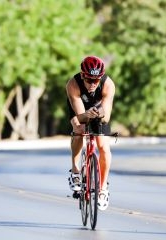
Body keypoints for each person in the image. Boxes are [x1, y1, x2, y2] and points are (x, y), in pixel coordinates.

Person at [66, 55, 115, 210]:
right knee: (79, 130)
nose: (93, 84)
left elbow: (106, 117)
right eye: (89, 80)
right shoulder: (73, 84)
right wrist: (83, 118)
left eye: (96, 80)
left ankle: (103, 188)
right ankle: (75, 169)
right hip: (81, 108)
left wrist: (99, 113)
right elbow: (80, 115)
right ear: (82, 75)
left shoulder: (108, 85)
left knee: (103, 146)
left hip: (100, 111)